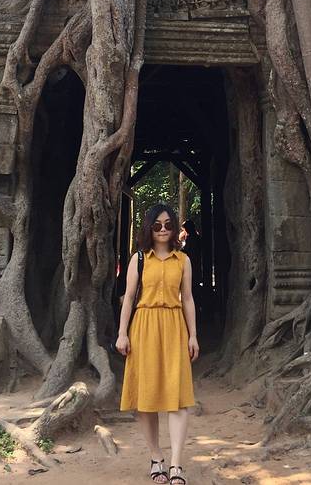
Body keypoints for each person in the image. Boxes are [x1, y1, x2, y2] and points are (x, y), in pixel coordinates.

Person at [117, 203, 199, 484]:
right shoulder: (139, 259)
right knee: (146, 397)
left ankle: (176, 464)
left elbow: (188, 298)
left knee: (178, 397)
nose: (163, 230)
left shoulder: (183, 260)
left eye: (168, 225)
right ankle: (156, 457)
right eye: (157, 225)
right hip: (144, 326)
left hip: (175, 326)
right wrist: (122, 333)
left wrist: (193, 335)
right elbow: (129, 297)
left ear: (174, 228)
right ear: (149, 228)